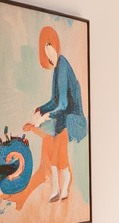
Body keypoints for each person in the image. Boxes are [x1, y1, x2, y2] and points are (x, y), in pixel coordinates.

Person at [32, 26, 87, 204]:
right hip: (63, 117)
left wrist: (46, 117)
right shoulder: (57, 69)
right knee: (49, 138)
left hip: (75, 119)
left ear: (55, 46)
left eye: (50, 49)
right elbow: (54, 101)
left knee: (58, 133)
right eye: (46, 53)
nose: (49, 56)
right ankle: (57, 185)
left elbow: (63, 104)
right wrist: (40, 109)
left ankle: (65, 180)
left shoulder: (63, 65)